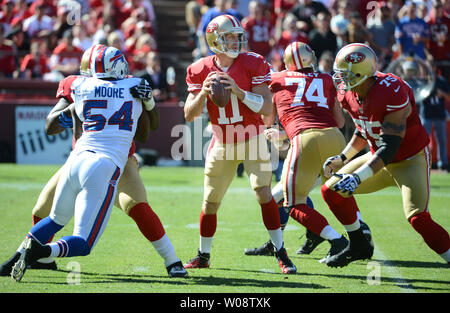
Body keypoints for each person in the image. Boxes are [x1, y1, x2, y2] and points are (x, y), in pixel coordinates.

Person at [2, 45, 187, 280]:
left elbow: (140, 134)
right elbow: (50, 125)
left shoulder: (90, 85)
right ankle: (43, 258)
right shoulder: (108, 85)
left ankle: (172, 261)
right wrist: (73, 112)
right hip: (88, 157)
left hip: (118, 160)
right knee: (41, 209)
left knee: (137, 206)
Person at [183, 14, 296, 274]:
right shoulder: (199, 69)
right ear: (214, 40)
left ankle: (280, 251)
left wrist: (238, 90)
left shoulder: (253, 62)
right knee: (210, 201)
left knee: (263, 192)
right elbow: (189, 115)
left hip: (252, 136)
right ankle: (203, 255)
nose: (235, 42)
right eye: (229, 37)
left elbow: (267, 107)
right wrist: (202, 92)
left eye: (237, 37)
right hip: (222, 140)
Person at [321, 43, 450, 267]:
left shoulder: (392, 90)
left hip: (409, 159)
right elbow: (363, 130)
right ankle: (360, 243)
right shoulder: (348, 93)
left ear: (359, 73)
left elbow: (390, 147)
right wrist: (342, 158)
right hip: (377, 158)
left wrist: (358, 176)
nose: (339, 79)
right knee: (331, 190)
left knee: (418, 218)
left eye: (344, 74)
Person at [246, 42, 351, 263]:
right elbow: (339, 121)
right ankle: (278, 243)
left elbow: (268, 119)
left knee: (291, 202)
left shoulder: (277, 80)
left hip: (306, 141)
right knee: (337, 194)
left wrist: (280, 134)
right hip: (335, 139)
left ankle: (335, 239)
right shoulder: (325, 79)